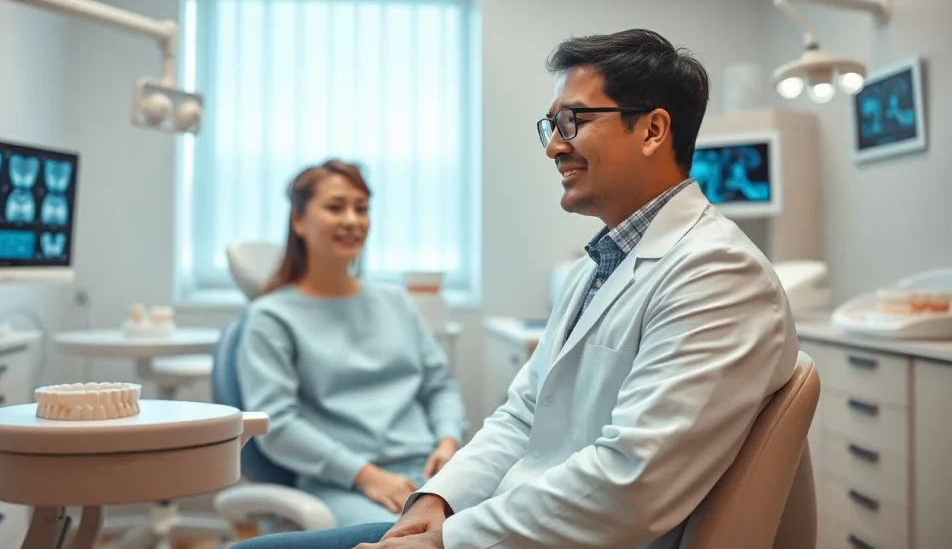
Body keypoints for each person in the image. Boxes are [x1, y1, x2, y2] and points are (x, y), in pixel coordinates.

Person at [233, 28, 799, 549]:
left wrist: (450, 538)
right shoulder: (596, 267)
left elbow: (633, 481)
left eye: (573, 121)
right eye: (552, 126)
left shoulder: (716, 274)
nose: (554, 146)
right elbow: (524, 413)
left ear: (652, 129)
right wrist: (440, 498)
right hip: (506, 521)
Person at [236, 159, 466, 528]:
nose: (352, 221)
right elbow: (277, 425)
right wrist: (365, 476)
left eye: (361, 209)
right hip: (343, 485)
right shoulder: (271, 317)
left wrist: (448, 440)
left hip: (431, 473)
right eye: (335, 207)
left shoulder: (396, 304)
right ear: (298, 220)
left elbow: (439, 385)